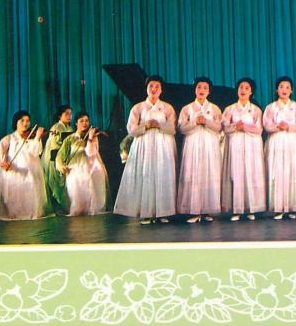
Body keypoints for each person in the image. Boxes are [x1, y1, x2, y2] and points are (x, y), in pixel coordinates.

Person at [113, 75, 178, 224]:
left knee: (162, 174)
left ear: (161, 89)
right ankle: (146, 212)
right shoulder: (138, 107)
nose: (154, 89)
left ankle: (163, 212)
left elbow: (173, 128)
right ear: (147, 89)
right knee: (146, 174)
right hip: (144, 145)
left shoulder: (167, 108)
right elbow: (131, 129)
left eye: (157, 87)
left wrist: (159, 125)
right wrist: (146, 126)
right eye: (151, 86)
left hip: (163, 145)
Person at [177, 76, 223, 223]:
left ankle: (208, 210)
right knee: (193, 173)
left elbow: (219, 127)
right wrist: (195, 122)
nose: (201, 90)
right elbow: (181, 128)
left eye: (205, 88)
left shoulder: (214, 108)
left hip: (210, 145)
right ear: (195, 90)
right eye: (199, 87)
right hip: (192, 144)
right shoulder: (187, 108)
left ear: (209, 91)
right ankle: (194, 210)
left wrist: (207, 122)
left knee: (209, 173)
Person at [221, 78, 266, 221]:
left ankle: (251, 208)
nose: (243, 90)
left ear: (251, 92)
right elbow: (224, 127)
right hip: (235, 144)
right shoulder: (230, 109)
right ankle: (237, 209)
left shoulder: (256, 110)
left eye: (247, 88)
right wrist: (235, 127)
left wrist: (244, 127)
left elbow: (259, 129)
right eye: (241, 87)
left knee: (251, 174)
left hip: (252, 145)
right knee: (236, 174)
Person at [263, 76, 296, 220]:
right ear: (277, 89)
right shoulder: (271, 107)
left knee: (293, 172)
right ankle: (278, 207)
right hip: (276, 142)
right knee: (277, 172)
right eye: (281, 87)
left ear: (291, 90)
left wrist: (288, 126)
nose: (284, 90)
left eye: (287, 87)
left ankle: (293, 207)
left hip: (293, 142)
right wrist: (277, 126)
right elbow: (266, 125)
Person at [0, 111, 49, 220]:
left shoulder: (32, 138)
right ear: (16, 122)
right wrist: (2, 163)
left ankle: (30, 213)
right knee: (15, 195)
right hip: (15, 172)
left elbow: (36, 152)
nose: (25, 123)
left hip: (30, 172)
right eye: (22, 120)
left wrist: (37, 137)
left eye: (28, 121)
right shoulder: (9, 138)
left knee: (31, 191)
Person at [56, 111, 110, 216]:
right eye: (81, 121)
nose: (85, 123)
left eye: (87, 121)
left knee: (95, 174)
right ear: (76, 123)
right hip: (76, 169)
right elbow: (60, 156)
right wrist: (61, 166)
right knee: (76, 178)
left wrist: (90, 139)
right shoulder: (69, 139)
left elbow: (90, 153)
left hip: (91, 167)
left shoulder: (93, 137)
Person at [42, 104, 73, 213]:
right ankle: (57, 207)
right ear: (60, 116)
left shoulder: (70, 128)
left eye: (70, 114)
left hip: (67, 157)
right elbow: (54, 145)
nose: (69, 116)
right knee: (55, 183)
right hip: (55, 157)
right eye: (66, 114)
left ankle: (65, 207)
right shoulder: (56, 127)